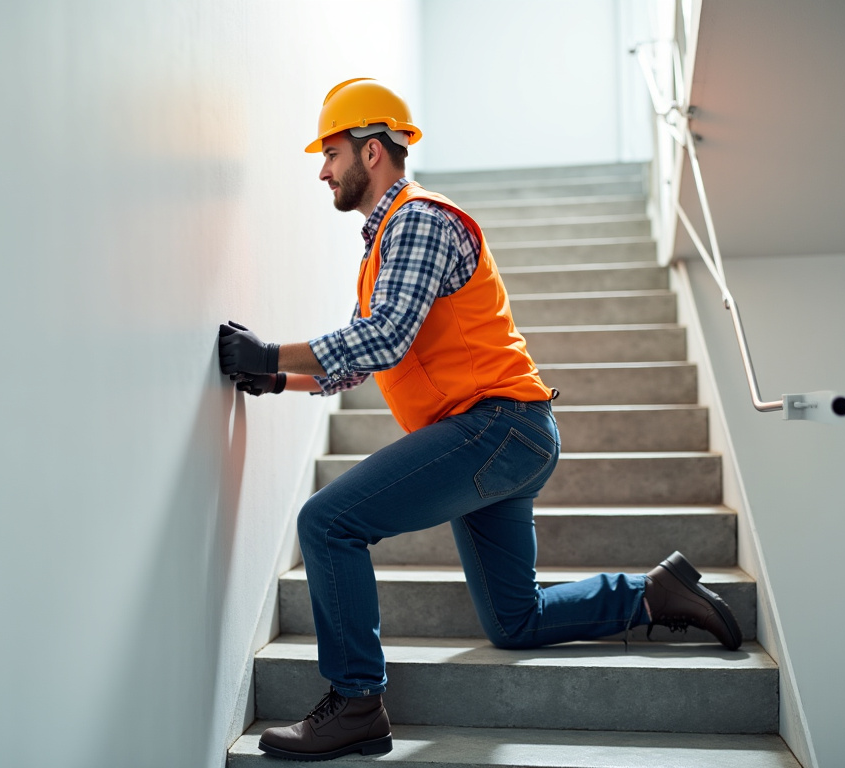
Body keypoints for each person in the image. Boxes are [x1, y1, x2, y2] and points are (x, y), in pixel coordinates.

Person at [217, 78, 742, 762]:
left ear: (373, 151)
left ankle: (356, 702)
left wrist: (270, 349)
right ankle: (651, 595)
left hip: (497, 429)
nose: (323, 169)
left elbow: (385, 337)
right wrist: (279, 377)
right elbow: (364, 357)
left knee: (327, 521)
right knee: (514, 621)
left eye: (333, 152)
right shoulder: (385, 243)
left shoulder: (420, 220)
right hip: (500, 436)